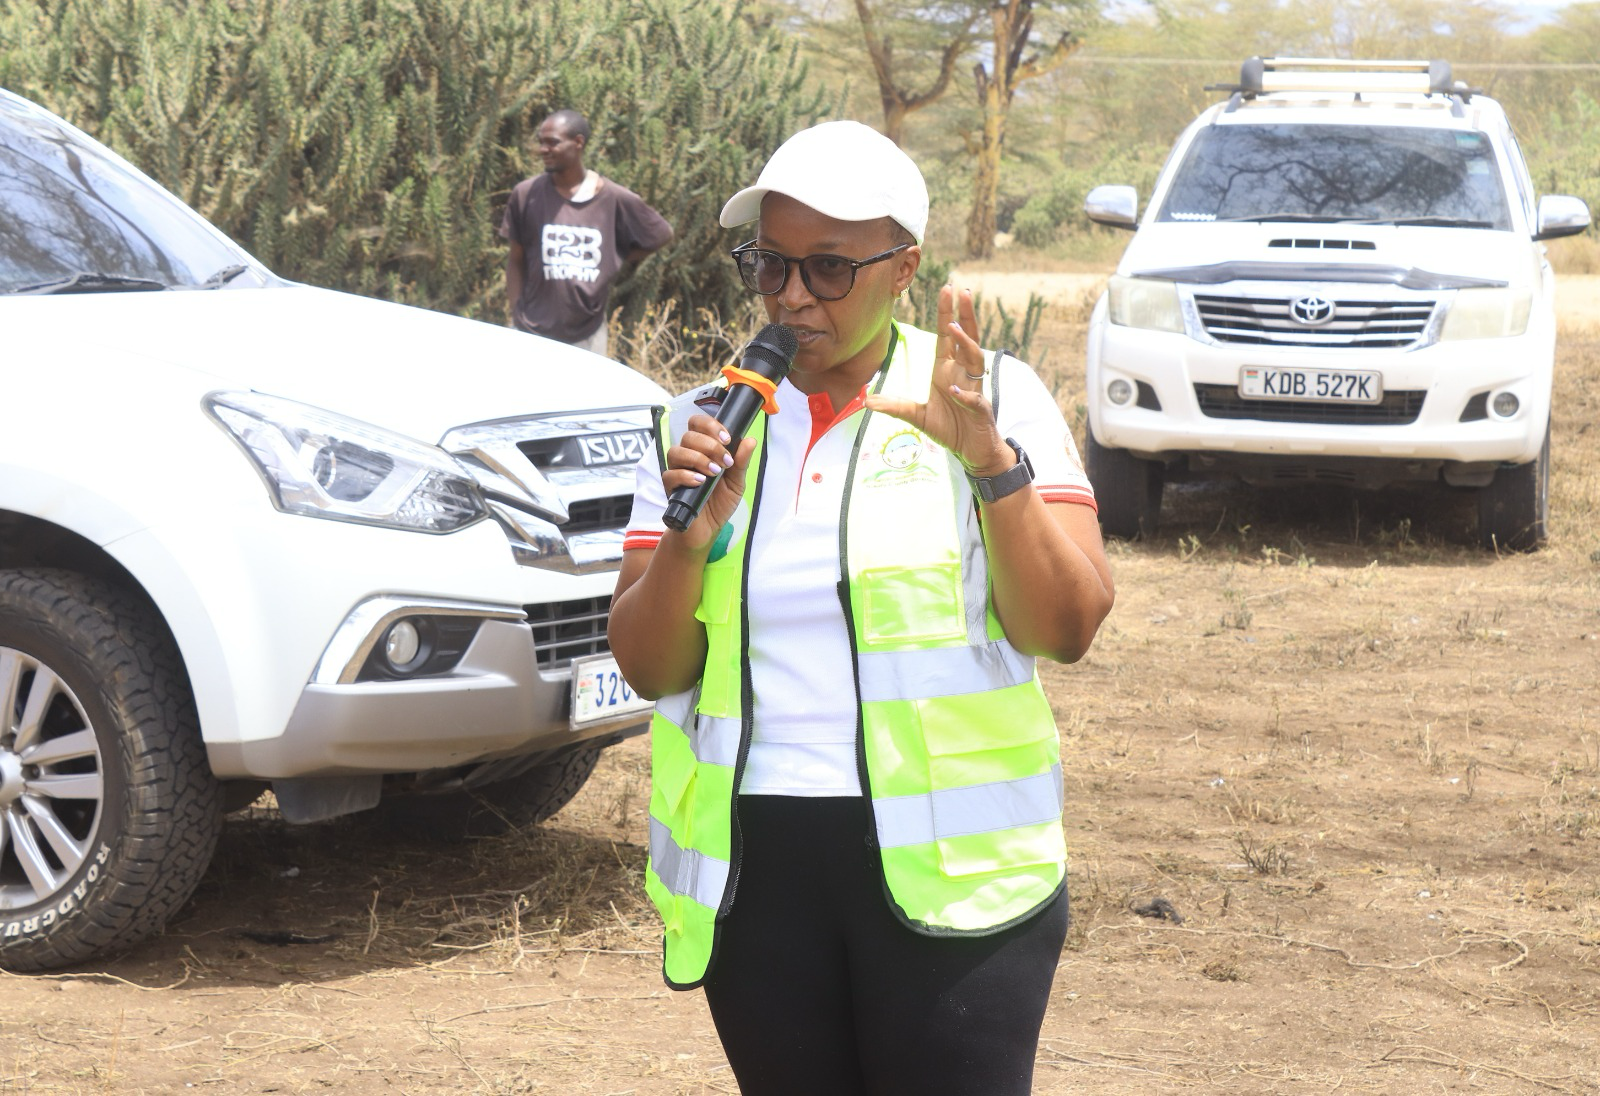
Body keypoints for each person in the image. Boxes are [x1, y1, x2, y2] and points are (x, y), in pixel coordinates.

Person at [608, 119, 1114, 1095]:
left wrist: (989, 463)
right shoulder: (701, 422)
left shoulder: (989, 396)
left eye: (829, 269)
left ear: (903, 267)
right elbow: (647, 666)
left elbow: (1067, 625)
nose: (792, 295)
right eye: (770, 264)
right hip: (757, 873)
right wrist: (689, 537)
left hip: (959, 873)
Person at [499, 109, 673, 357]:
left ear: (578, 142)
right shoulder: (526, 194)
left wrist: (613, 258)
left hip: (586, 335)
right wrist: (516, 312)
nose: (543, 149)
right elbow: (515, 259)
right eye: (541, 142)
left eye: (552, 142)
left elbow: (661, 234)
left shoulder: (612, 197)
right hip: (530, 331)